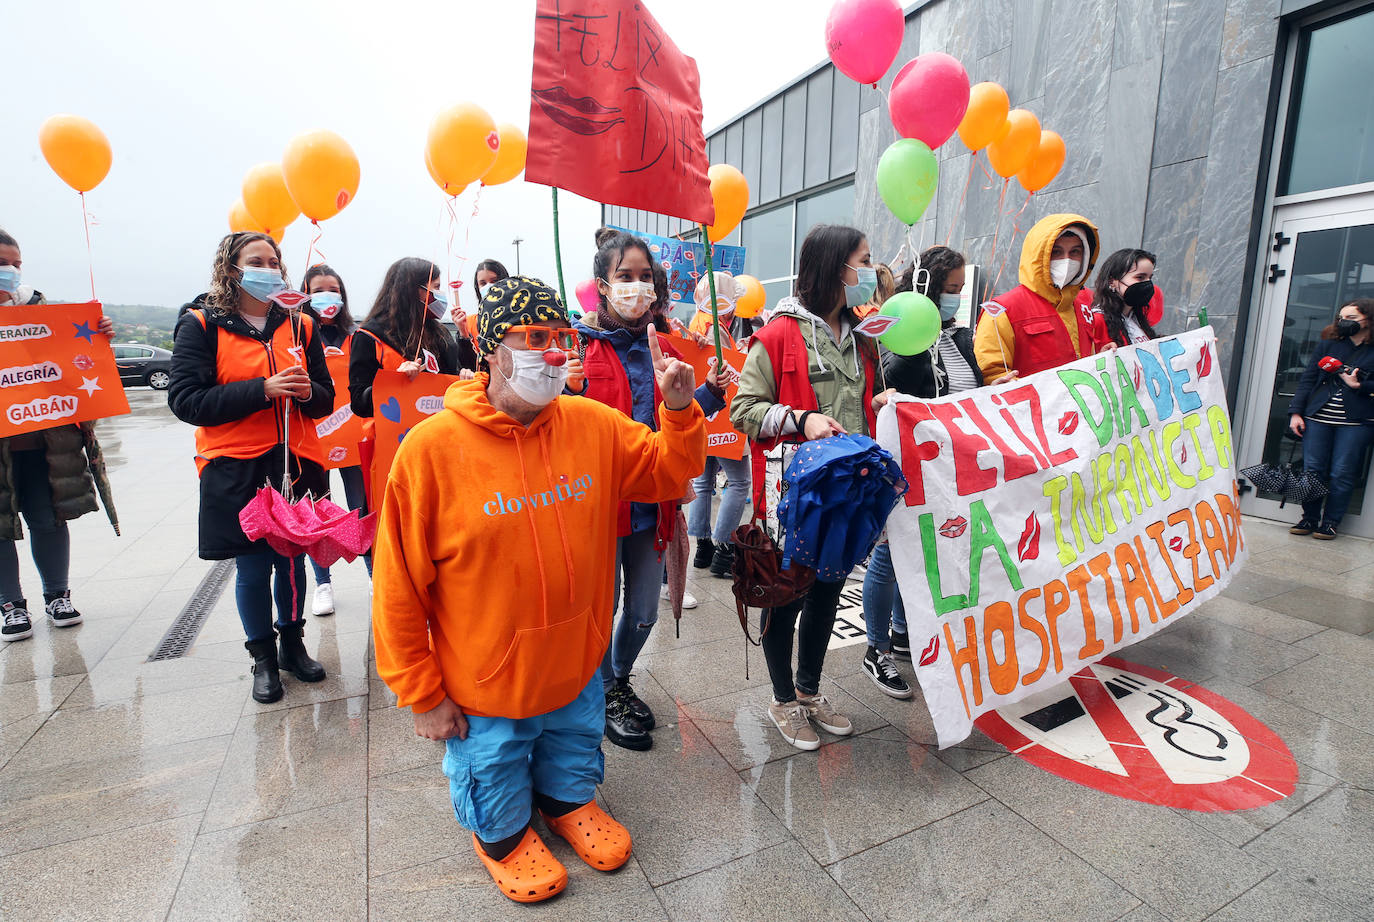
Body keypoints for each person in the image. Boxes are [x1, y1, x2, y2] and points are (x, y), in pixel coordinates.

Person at [371, 276, 705, 903]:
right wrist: (420, 693)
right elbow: (397, 585)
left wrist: (680, 410)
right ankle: (500, 836)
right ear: (491, 349)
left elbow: (669, 472)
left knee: (573, 742)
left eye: (561, 337)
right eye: (535, 338)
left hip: (575, 662)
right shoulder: (430, 451)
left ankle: (565, 801)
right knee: (493, 768)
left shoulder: (591, 424)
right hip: (486, 681)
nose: (554, 353)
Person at [571, 231, 726, 752]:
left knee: (642, 611)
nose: (637, 287)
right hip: (595, 506)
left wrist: (697, 395)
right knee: (598, 607)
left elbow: (679, 426)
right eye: (624, 276)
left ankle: (616, 680)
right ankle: (594, 694)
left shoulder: (667, 347)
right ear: (602, 285)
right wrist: (565, 390)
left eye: (645, 277)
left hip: (652, 505)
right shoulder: (577, 349)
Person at [731, 223, 882, 752]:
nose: (868, 269)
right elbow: (743, 410)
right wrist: (802, 420)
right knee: (785, 597)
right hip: (793, 501)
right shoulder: (776, 335)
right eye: (862, 260)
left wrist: (882, 409)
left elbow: (868, 407)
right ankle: (781, 701)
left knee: (827, 595)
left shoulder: (865, 341)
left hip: (848, 498)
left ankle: (809, 690)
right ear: (835, 266)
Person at [167, 232, 334, 702]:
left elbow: (325, 398)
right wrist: (262, 389)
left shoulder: (300, 325)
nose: (270, 267)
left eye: (275, 260)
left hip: (296, 463)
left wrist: (305, 393)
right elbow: (185, 400)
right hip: (238, 467)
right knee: (254, 567)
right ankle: (262, 657)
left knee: (292, 560)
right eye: (256, 260)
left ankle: (293, 645)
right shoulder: (201, 323)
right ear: (232, 269)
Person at [858, 245, 982, 696]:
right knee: (891, 554)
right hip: (907, 467)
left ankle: (903, 631)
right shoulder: (903, 339)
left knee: (926, 551)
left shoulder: (959, 337)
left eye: (961, 290)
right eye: (950, 290)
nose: (956, 298)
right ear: (926, 287)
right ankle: (876, 649)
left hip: (949, 470)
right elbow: (886, 400)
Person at [0, 229, 117, 642]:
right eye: (2, 264)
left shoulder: (38, 310)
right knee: (0, 525)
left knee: (47, 518)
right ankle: (10, 604)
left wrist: (97, 335)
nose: (10, 272)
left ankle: (57, 595)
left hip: (44, 440)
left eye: (15, 263)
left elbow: (71, 361)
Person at [349, 258, 470, 505]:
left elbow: (452, 378)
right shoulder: (369, 336)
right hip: (392, 451)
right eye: (434, 287)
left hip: (440, 445)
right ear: (412, 289)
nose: (439, 295)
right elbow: (358, 402)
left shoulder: (440, 333)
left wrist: (463, 378)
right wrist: (393, 382)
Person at [300, 265, 369, 616]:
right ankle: (322, 583)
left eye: (333, 288)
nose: (327, 295)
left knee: (363, 508)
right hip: (313, 439)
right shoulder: (297, 334)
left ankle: (375, 575)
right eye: (319, 289)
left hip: (356, 436)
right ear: (306, 292)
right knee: (318, 513)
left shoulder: (358, 335)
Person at [974, 213, 1102, 382]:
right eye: (1056, 252)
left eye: (1075, 252)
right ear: (1038, 255)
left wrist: (1104, 359)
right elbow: (990, 373)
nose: (1067, 260)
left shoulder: (1084, 305)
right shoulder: (1003, 311)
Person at [1288, 299, 1374, 540]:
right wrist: (1296, 412)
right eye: (1341, 318)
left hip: (1357, 423)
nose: (1345, 323)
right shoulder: (1329, 345)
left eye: (1352, 318)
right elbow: (1308, 380)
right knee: (1312, 470)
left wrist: (1360, 385)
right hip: (1318, 418)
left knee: (1342, 472)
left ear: (1368, 321)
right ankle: (1309, 518)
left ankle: (1331, 522)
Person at [684, 271, 752, 578]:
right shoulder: (716, 328)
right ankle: (724, 548)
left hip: (702, 411)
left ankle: (702, 546)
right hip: (722, 413)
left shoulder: (697, 322)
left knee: (703, 480)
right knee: (739, 482)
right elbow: (728, 367)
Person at [1089, 248, 1160, 347]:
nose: (1148, 283)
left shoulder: (1137, 320)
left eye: (1150, 278)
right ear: (1112, 281)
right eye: (1140, 277)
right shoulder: (1096, 321)